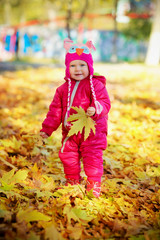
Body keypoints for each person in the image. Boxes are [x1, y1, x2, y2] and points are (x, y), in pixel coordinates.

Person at [40, 38, 111, 197]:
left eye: (82, 65)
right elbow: (55, 111)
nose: (77, 69)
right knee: (67, 156)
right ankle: (72, 181)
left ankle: (94, 184)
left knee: (92, 158)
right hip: (70, 131)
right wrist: (47, 129)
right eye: (73, 65)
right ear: (67, 68)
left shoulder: (96, 86)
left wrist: (96, 108)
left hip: (92, 131)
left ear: (89, 66)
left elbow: (105, 103)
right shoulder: (62, 89)